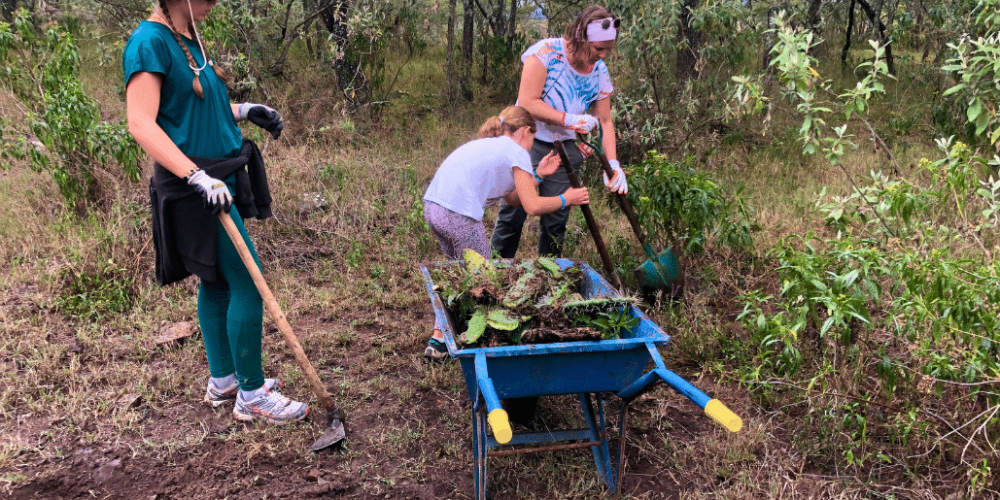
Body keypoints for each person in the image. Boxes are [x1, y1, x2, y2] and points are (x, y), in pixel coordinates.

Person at [123, 0, 308, 424]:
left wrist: (244, 111)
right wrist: (196, 177)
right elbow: (141, 123)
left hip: (214, 177)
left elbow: (189, 111)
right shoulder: (149, 43)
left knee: (218, 280)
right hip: (196, 187)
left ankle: (225, 380)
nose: (214, 2)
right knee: (246, 279)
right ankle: (253, 394)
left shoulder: (187, 39)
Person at [422, 106, 590, 360]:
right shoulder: (516, 151)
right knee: (483, 281)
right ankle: (479, 344)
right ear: (525, 131)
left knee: (459, 276)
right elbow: (533, 206)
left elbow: (513, 199)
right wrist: (566, 198)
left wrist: (539, 176)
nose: (533, 146)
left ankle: (438, 341)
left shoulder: (494, 146)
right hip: (459, 216)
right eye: (534, 138)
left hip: (434, 209)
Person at [491, 5, 627, 259]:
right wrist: (570, 120)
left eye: (608, 50)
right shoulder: (546, 53)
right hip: (524, 143)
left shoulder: (599, 72)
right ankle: (493, 275)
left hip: (564, 151)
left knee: (555, 223)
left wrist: (613, 164)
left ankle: (548, 282)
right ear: (582, 38)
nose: (604, 56)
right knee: (513, 215)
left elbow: (605, 121)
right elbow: (528, 101)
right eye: (599, 49)